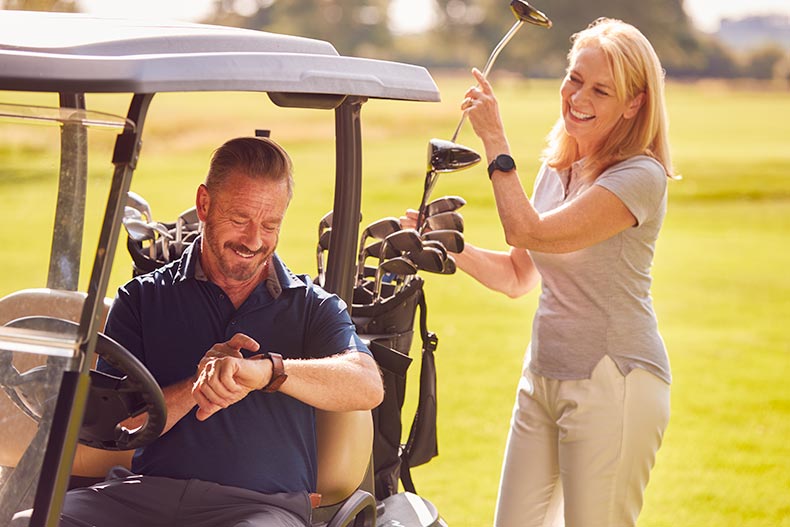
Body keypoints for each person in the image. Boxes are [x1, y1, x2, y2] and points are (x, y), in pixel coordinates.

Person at [404, 17, 673, 527]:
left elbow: (528, 232)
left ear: (634, 103)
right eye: (574, 78)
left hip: (612, 383)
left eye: (600, 89)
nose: (578, 97)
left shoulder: (640, 176)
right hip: (542, 378)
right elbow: (516, 275)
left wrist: (494, 139)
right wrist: (447, 246)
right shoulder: (558, 168)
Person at [58, 137, 383, 526]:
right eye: (240, 219)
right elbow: (113, 428)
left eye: (270, 225)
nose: (254, 240)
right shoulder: (143, 298)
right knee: (28, 519)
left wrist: (266, 372)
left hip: (258, 508)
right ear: (204, 205)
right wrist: (196, 386)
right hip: (144, 496)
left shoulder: (312, 305)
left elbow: (368, 384)